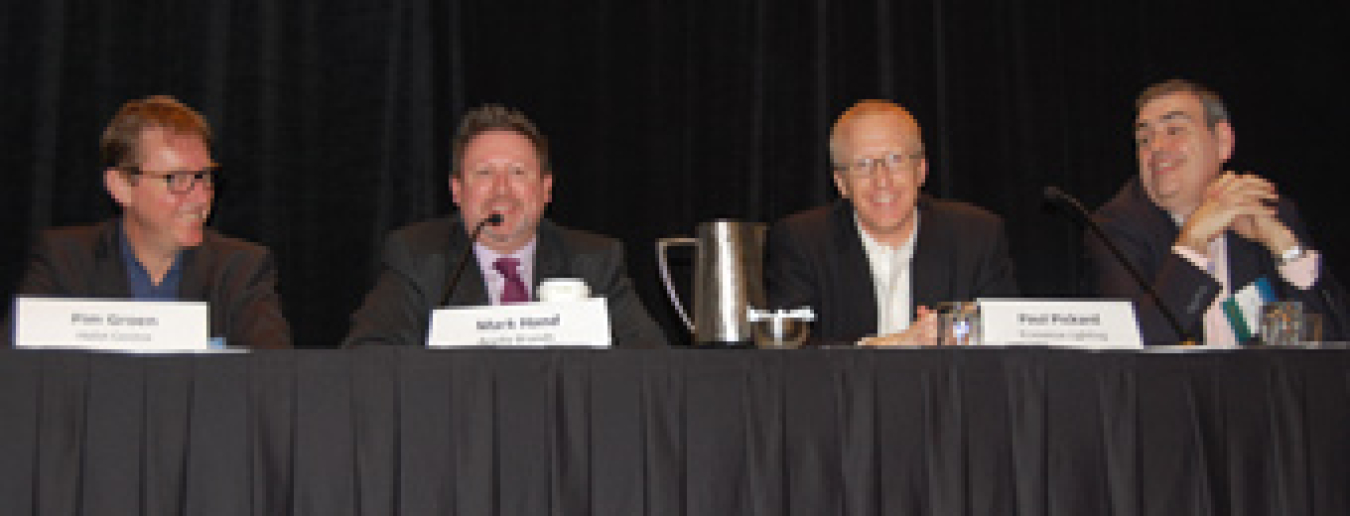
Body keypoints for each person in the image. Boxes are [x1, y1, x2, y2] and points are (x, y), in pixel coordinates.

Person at [343, 104, 667, 348]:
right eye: (484, 173)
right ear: (457, 190)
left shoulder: (594, 260)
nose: (501, 190)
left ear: (546, 189)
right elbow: (369, 354)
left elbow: (650, 361)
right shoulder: (418, 256)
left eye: (517, 173)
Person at [7, 95, 291, 349]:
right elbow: (16, 379)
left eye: (204, 176)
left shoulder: (240, 270)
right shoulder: (65, 260)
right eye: (177, 179)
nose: (200, 196)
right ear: (121, 186)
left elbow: (272, 381)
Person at [1087, 78, 1348, 344]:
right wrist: (1192, 242)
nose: (1155, 148)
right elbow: (1135, 348)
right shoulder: (1116, 227)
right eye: (1144, 139)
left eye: (1174, 130)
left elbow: (1333, 345)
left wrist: (1285, 248)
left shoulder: (1268, 211)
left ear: (1222, 141)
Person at [766, 99, 1018, 345]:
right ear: (841, 183)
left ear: (921, 170)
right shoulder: (802, 241)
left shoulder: (976, 236)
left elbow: (1007, 343)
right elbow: (791, 352)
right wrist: (893, 343)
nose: (882, 180)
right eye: (863, 164)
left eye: (895, 159)